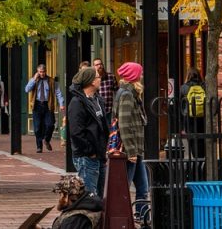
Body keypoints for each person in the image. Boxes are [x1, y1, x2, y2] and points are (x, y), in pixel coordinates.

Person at [114, 61, 149, 220]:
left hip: (136, 149)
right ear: (133, 76)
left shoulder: (131, 93)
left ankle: (142, 216)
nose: (141, 76)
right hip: (131, 150)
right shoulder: (127, 95)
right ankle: (121, 217)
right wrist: (131, 152)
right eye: (139, 73)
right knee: (125, 187)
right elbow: (124, 124)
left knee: (143, 187)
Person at [67, 66, 108, 197]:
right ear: (91, 81)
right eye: (98, 77)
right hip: (87, 157)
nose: (100, 79)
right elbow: (76, 132)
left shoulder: (97, 100)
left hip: (100, 155)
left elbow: (102, 126)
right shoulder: (77, 102)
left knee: (101, 196)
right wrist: (90, 151)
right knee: (89, 196)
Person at [25, 63, 64, 153]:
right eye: (40, 72)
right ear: (37, 72)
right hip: (37, 105)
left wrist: (61, 104)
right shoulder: (34, 80)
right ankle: (39, 146)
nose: (42, 73)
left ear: (46, 71)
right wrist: (34, 79)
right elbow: (27, 89)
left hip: (48, 105)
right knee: (37, 128)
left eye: (43, 72)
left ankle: (46, 140)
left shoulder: (51, 81)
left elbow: (58, 93)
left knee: (50, 124)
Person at [180, 67, 206, 158]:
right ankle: (202, 159)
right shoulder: (204, 86)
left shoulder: (184, 88)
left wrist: (181, 125)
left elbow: (181, 105)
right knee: (202, 138)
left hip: (189, 118)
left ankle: (196, 159)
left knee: (192, 139)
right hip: (203, 117)